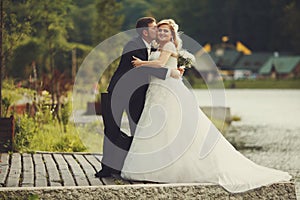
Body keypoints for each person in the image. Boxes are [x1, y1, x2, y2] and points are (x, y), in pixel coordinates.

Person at [121, 19, 291, 193]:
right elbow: (165, 67)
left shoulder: (169, 47)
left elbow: (159, 64)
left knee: (171, 125)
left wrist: (142, 64)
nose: (163, 34)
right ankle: (154, 166)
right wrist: (175, 70)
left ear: (172, 35)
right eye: (160, 31)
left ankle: (168, 169)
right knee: (157, 126)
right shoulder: (156, 47)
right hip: (156, 91)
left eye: (166, 31)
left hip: (168, 92)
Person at [95, 17, 182, 178]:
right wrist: (171, 72)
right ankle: (107, 168)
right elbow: (142, 70)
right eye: (155, 28)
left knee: (139, 130)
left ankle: (132, 166)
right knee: (112, 130)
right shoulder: (134, 45)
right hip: (120, 93)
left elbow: (160, 62)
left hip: (138, 94)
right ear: (145, 31)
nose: (157, 30)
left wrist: (174, 67)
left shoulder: (153, 46)